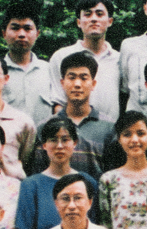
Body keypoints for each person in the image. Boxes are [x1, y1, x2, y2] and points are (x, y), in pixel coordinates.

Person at [32, 52, 116, 180]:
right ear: (62, 83)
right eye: (71, 77)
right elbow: (38, 175)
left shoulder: (109, 127)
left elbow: (114, 175)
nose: (77, 84)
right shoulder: (45, 126)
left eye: (83, 78)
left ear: (93, 84)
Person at [16, 118, 98, 229]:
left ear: (74, 143)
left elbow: (95, 227)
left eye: (65, 140)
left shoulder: (88, 182)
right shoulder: (31, 185)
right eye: (53, 140)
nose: (59, 146)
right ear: (44, 145)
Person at [49, 0, 121, 121]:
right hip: (70, 130)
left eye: (99, 14)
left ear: (110, 21)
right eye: (87, 14)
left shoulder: (119, 60)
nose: (94, 19)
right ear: (79, 22)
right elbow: (58, 103)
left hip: (111, 130)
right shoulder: (61, 57)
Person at [0, 2, 54, 127]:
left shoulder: (49, 70)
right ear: (4, 33)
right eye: (15, 28)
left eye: (27, 28)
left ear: (37, 33)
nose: (21, 34)